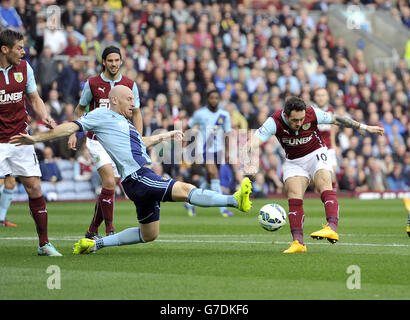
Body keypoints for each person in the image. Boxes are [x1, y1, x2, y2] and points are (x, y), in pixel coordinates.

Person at [10, 85, 253, 255]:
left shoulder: (123, 123)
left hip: (136, 180)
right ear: (114, 100)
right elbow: (69, 127)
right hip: (139, 176)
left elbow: (140, 143)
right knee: (185, 188)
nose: (132, 104)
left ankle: (96, 243)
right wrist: (37, 139)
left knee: (150, 234)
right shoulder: (101, 115)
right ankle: (234, 200)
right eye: (129, 100)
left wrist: (165, 135)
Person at [245, 96, 384, 253]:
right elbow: (256, 140)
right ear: (285, 114)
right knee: (294, 195)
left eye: (302, 119)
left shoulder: (312, 113)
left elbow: (337, 120)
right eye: (295, 120)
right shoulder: (274, 120)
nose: (299, 123)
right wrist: (248, 148)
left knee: (324, 183)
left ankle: (331, 227)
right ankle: (298, 242)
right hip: (294, 161)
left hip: (316, 153)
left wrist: (364, 127)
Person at [68, 46, 143, 240]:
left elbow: (137, 113)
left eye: (117, 60)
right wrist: (73, 133)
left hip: (119, 144)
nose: (114, 64)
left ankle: (92, 230)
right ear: (103, 62)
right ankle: (110, 230)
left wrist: (139, 139)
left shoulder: (129, 84)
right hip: (96, 140)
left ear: (121, 61)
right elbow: (79, 109)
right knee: (109, 181)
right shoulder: (92, 83)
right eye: (110, 60)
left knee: (108, 188)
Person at [0, 29, 61, 256]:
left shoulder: (24, 68)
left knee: (34, 187)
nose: (23, 52)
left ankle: (44, 243)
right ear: (4, 50)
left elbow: (34, 98)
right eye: (19, 48)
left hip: (20, 138)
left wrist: (43, 115)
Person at [184, 89, 234, 218]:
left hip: (219, 150)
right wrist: (183, 143)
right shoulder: (199, 114)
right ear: (207, 99)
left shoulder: (224, 115)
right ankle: (224, 209)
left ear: (219, 100)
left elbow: (227, 134)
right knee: (215, 175)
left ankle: (190, 203)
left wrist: (228, 151)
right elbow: (188, 126)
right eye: (211, 98)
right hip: (205, 150)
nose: (214, 100)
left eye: (216, 98)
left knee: (209, 181)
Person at [313, 87, 338, 190]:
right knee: (320, 177)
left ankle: (333, 196)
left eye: (323, 95)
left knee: (332, 174)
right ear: (315, 97)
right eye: (318, 95)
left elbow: (332, 129)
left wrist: (334, 144)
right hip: (316, 148)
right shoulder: (312, 110)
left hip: (328, 146)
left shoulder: (331, 110)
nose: (321, 98)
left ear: (327, 97)